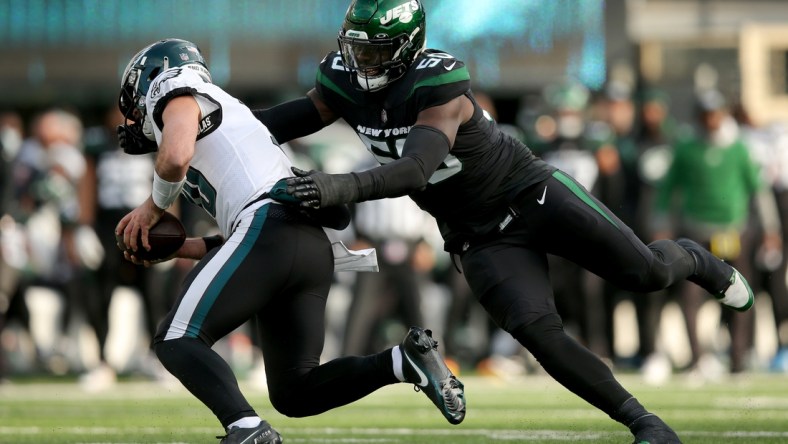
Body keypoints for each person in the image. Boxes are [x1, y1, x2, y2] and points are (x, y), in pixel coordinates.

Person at [252, 1, 755, 442]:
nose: (364, 63)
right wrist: (215, 124)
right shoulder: (341, 80)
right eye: (358, 50)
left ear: (408, 48)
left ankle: (692, 257)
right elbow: (280, 121)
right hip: (477, 237)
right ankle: (644, 422)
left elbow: (415, 169)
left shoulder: (438, 82)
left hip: (532, 193)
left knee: (645, 273)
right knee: (540, 333)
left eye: (378, 51)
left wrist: (336, 185)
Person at [114, 38, 465, 444]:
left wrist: (152, 208)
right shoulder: (232, 121)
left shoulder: (173, 87)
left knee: (176, 339)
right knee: (296, 390)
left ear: (150, 79)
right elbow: (240, 237)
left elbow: (175, 159)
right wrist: (180, 247)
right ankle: (403, 362)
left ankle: (246, 429)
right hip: (303, 241)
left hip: (271, 226)